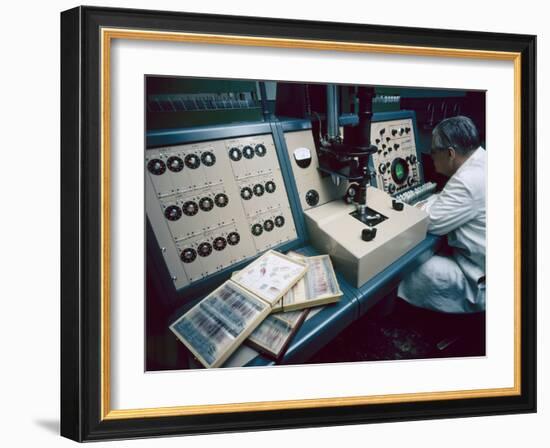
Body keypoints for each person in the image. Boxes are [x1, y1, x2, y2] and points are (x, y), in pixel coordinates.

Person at [397, 115, 486, 313]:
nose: (431, 157)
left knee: (408, 268)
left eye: (433, 152)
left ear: (450, 153)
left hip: (479, 278)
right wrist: (431, 201)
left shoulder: (467, 180)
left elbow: (429, 223)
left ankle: (400, 320)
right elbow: (446, 198)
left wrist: (420, 206)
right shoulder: (481, 159)